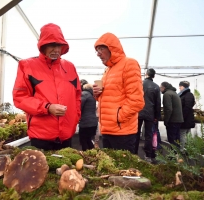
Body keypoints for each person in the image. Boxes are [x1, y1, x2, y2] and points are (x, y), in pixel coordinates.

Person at [12, 23, 81, 151]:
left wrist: (75, 118)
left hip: (67, 136)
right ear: (43, 46)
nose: (56, 50)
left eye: (59, 45)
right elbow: (20, 97)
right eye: (52, 45)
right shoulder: (27, 65)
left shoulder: (70, 67)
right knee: (41, 169)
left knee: (66, 169)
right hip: (41, 137)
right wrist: (47, 107)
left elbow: (77, 96)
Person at [92, 32, 145, 154]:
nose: (98, 53)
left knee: (123, 170)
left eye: (101, 49)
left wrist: (117, 117)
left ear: (112, 48)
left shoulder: (129, 64)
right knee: (110, 169)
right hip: (107, 130)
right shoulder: (108, 70)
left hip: (122, 133)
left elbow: (137, 101)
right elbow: (112, 97)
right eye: (97, 50)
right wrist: (97, 94)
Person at [136, 68, 161, 162]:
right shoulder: (156, 87)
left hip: (138, 111)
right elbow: (158, 103)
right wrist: (157, 116)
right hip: (150, 113)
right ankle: (148, 156)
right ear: (153, 76)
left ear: (146, 74)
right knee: (148, 135)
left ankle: (134, 154)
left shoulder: (139, 84)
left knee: (136, 133)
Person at [160, 82, 183, 149]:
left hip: (172, 120)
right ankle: (178, 156)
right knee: (177, 139)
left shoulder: (167, 94)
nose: (160, 90)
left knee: (172, 140)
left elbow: (168, 109)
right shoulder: (174, 93)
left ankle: (173, 156)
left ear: (163, 87)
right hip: (178, 119)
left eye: (160, 88)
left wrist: (166, 120)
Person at [79, 83, 98, 151]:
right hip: (93, 123)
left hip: (85, 123)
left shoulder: (84, 94)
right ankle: (93, 154)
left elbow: (79, 107)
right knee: (89, 140)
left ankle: (86, 156)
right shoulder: (92, 96)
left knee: (84, 141)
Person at [178, 81, 195, 152]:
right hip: (188, 118)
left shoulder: (186, 95)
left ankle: (182, 150)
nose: (179, 88)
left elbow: (187, 107)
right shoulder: (189, 95)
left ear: (184, 87)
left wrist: (182, 117)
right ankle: (188, 149)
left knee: (182, 134)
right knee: (187, 134)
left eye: (180, 86)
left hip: (185, 118)